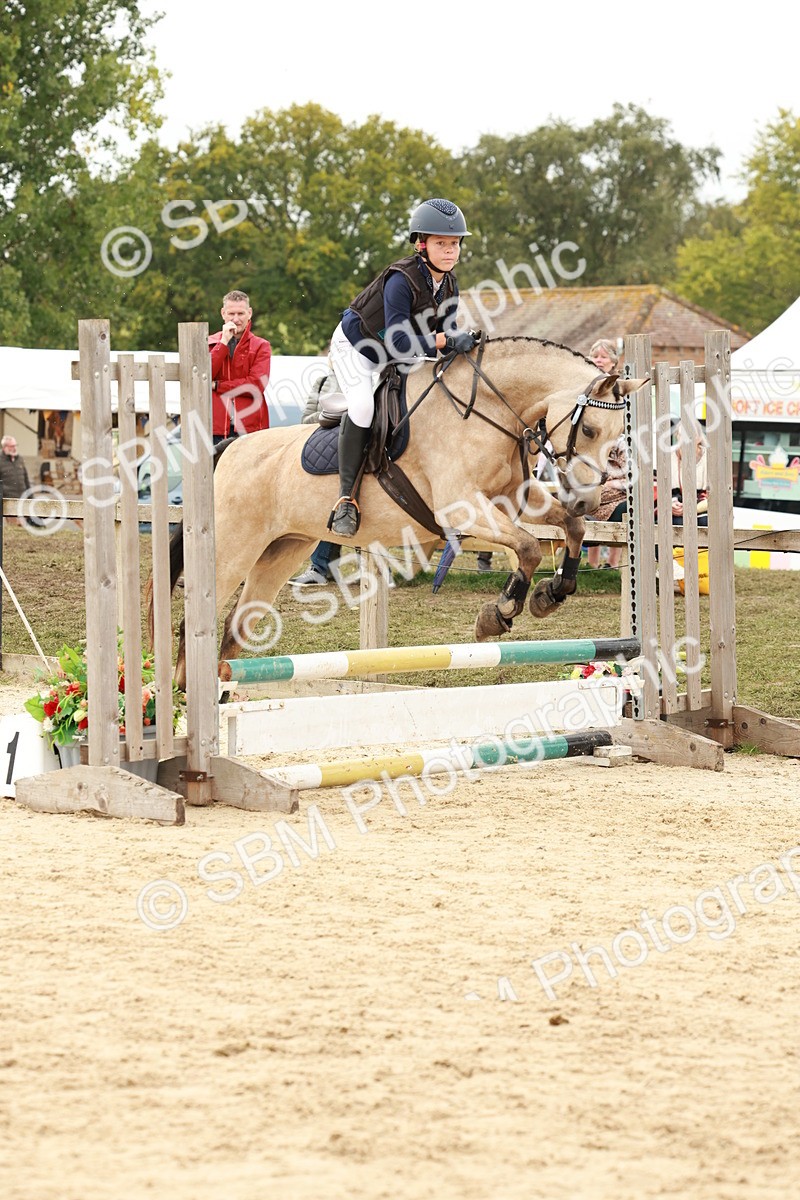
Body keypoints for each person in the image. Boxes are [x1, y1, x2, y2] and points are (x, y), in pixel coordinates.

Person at [327, 197, 476, 537]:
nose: (450, 251)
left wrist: (461, 341)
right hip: (357, 347)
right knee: (364, 406)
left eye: (455, 244)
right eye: (442, 244)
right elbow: (401, 342)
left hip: (397, 350)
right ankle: (345, 500)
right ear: (421, 245)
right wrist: (445, 341)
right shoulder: (400, 280)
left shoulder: (450, 284)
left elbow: (443, 336)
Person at [291, 362, 346, 587]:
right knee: (326, 506)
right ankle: (319, 566)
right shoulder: (322, 381)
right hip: (325, 448)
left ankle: (368, 567)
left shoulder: (369, 377)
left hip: (356, 445)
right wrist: (333, 413)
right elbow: (306, 419)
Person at [584, 338, 626, 569]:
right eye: (595, 356)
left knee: (618, 503)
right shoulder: (584, 383)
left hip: (615, 445)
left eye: (603, 356)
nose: (598, 360)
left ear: (613, 361)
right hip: (590, 445)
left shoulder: (619, 387)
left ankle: (612, 564)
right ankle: (590, 566)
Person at [209, 290, 271, 445]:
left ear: (249, 313)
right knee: (213, 470)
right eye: (231, 314)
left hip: (249, 428)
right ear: (223, 313)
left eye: (241, 313)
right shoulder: (209, 343)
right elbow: (204, 376)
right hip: (214, 427)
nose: (236, 319)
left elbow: (256, 385)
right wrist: (223, 343)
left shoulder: (261, 346)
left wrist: (218, 385)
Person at [0, 435, 32, 526]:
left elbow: (26, 479)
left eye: (15, 445)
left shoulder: (20, 459)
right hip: (9, 501)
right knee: (15, 527)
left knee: (23, 526)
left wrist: (31, 497)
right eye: (12, 446)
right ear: (4, 447)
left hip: (22, 499)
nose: (14, 448)